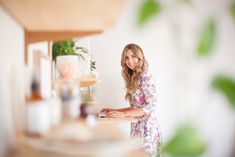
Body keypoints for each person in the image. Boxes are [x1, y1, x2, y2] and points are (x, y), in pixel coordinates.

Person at [101, 43, 162, 156]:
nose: (130, 60)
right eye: (127, 57)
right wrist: (116, 111)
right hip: (136, 128)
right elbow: (135, 107)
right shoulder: (134, 77)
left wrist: (124, 115)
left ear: (140, 57)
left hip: (147, 130)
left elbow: (151, 106)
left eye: (133, 56)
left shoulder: (145, 76)